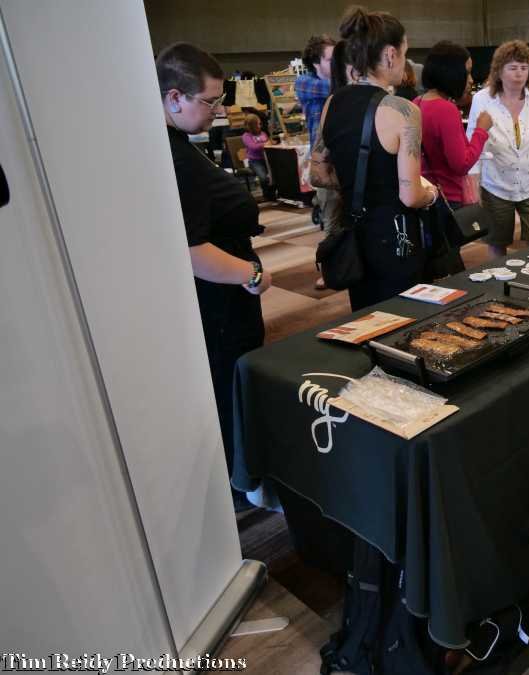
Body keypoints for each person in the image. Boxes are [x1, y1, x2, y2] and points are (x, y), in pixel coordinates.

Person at [157, 43, 272, 511]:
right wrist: (252, 272)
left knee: (228, 388)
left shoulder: (176, 147)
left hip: (221, 299)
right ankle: (240, 482)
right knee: (228, 390)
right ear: (174, 98)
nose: (218, 110)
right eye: (209, 101)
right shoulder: (175, 159)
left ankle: (240, 477)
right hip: (220, 302)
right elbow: (191, 250)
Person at [311, 6, 439, 311]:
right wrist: (432, 193)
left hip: (354, 232)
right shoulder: (403, 111)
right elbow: (410, 195)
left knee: (367, 316)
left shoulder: (332, 103)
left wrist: (357, 183)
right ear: (391, 54)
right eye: (405, 53)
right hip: (396, 236)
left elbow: (317, 174)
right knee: (407, 315)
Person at [466, 40, 529, 258]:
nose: (519, 74)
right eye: (513, 68)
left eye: (524, 68)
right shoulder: (482, 99)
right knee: (497, 241)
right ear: (499, 71)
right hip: (496, 184)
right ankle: (498, 276)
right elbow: (473, 144)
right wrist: (473, 187)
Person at [414, 41, 493, 275]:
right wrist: (481, 131)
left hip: (426, 196)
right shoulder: (445, 110)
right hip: (447, 198)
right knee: (448, 262)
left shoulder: (417, 103)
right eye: (466, 72)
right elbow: (461, 163)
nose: (470, 79)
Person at [297, 35, 336, 290]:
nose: (337, 64)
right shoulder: (305, 83)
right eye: (331, 59)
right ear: (315, 62)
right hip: (325, 163)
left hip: (345, 159)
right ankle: (331, 271)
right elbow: (332, 88)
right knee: (331, 220)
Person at [241, 114, 275, 201]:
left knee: (274, 175)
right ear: (252, 125)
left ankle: (273, 194)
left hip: (266, 159)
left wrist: (272, 142)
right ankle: (267, 195)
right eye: (258, 124)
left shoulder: (263, 133)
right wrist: (265, 144)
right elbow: (253, 147)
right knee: (263, 177)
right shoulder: (246, 136)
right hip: (255, 161)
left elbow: (269, 143)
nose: (260, 125)